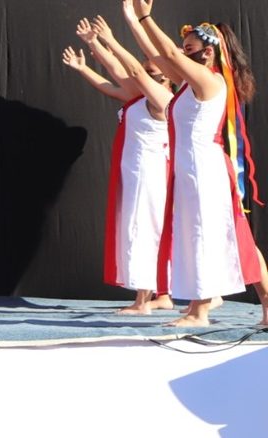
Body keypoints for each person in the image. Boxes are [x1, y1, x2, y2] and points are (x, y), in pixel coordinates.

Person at [135, 0, 268, 327]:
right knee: (229, 239)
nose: (182, 51)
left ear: (208, 52)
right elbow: (156, 56)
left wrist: (146, 16)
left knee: (204, 235)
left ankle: (199, 311)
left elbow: (168, 52)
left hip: (204, 171)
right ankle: (235, 307)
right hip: (193, 170)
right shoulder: (189, 83)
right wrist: (133, 20)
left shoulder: (209, 80)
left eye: (189, 48)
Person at [64, 14, 175, 315]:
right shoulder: (140, 96)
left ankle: (142, 301)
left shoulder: (162, 100)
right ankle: (162, 294)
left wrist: (108, 40)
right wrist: (90, 54)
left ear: (165, 77)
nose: (144, 73)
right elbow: (113, 80)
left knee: (142, 229)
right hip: (137, 171)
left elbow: (129, 70)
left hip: (149, 173)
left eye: (152, 72)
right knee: (147, 228)